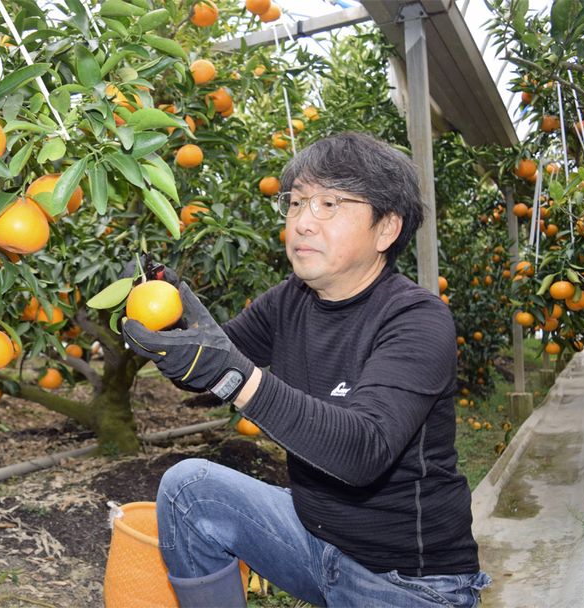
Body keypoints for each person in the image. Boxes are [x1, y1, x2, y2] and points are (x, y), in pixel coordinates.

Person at [122, 132, 491, 607]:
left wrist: (230, 373)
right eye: (296, 204)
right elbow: (207, 370)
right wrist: (175, 329)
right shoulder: (289, 300)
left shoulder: (417, 319)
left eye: (330, 204)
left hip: (408, 581)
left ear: (387, 229)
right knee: (189, 488)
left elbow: (364, 451)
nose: (302, 223)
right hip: (316, 544)